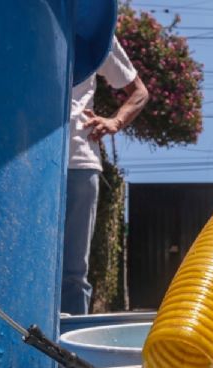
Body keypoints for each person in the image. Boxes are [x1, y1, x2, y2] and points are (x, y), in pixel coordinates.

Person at [61, 36, 148, 315]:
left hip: (78, 161)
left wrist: (115, 121)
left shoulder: (92, 29)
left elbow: (139, 92)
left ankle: (67, 355)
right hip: (25, 157)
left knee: (72, 273)